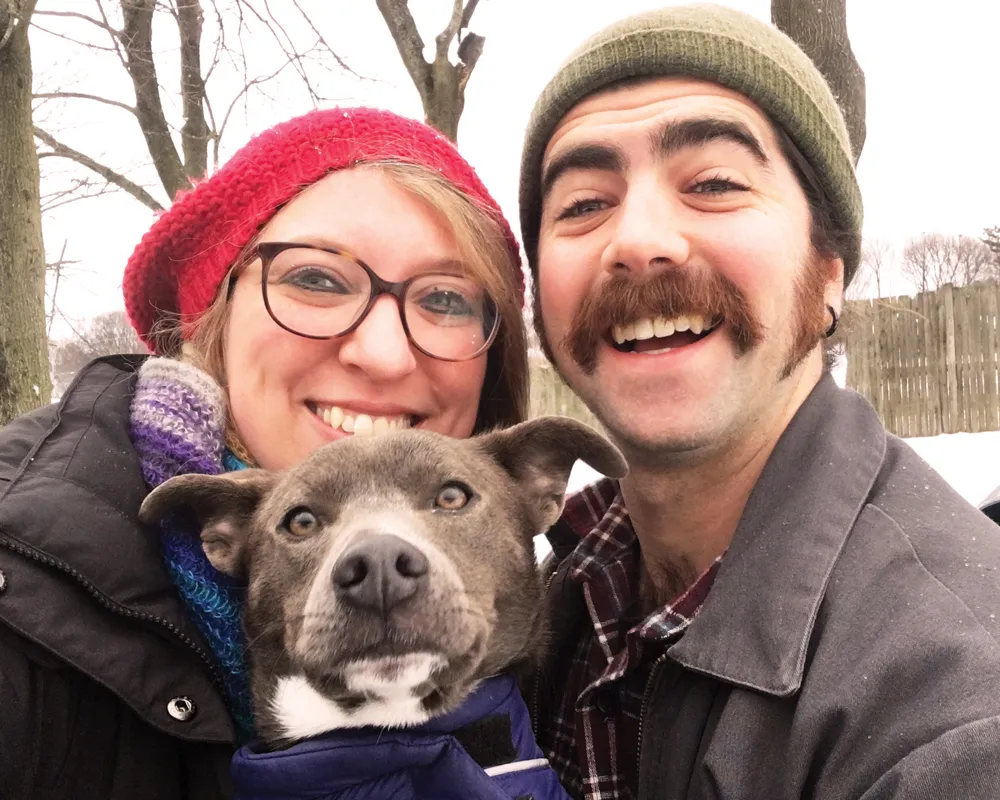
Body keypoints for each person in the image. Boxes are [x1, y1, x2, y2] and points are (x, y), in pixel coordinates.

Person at [518, 5, 1000, 799]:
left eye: (713, 183)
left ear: (831, 267)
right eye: (581, 205)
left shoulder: (954, 727)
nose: (637, 239)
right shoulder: (563, 591)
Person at [0, 107, 530, 800]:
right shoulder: (22, 607)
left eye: (445, 298)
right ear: (211, 319)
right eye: (315, 280)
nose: (382, 351)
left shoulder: (566, 620)